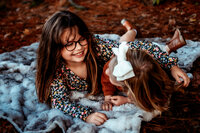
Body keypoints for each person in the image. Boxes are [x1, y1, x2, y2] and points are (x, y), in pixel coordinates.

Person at [35, 9, 188, 126]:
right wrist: (85, 115)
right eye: (69, 44)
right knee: (121, 42)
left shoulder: (95, 46)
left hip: (114, 56)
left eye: (81, 39)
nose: (78, 48)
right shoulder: (57, 70)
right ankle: (132, 31)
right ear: (54, 48)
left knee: (123, 45)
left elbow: (139, 49)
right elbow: (59, 101)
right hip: (112, 59)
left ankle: (132, 31)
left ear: (86, 36)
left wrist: (172, 65)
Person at [101, 42, 189, 112]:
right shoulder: (117, 62)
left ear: (129, 87)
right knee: (124, 40)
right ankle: (131, 30)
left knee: (162, 51)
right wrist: (108, 97)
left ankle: (168, 48)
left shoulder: (147, 85)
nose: (106, 71)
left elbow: (146, 100)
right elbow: (106, 80)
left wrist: (127, 100)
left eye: (111, 75)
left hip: (154, 55)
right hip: (142, 47)